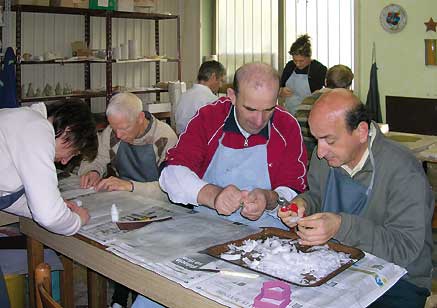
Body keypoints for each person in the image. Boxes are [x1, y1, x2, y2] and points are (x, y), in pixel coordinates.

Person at [278, 89, 433, 308]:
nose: (320, 152)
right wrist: (302, 205)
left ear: (361, 132)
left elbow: (404, 249)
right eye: (316, 139)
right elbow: (317, 195)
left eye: (329, 140)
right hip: (339, 263)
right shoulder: (326, 157)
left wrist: (341, 226)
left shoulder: (403, 170)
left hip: (399, 279)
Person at [160, 62, 307, 228]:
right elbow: (171, 173)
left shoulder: (286, 126)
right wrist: (213, 195)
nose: (259, 121)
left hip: (267, 233)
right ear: (232, 96)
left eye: (268, 109)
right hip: (208, 226)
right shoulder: (209, 118)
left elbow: (296, 191)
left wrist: (269, 199)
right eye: (250, 109)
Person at [78, 92, 177, 308]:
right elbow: (96, 158)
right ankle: (119, 298)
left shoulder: (164, 137)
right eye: (115, 129)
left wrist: (131, 186)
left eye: (124, 129)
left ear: (140, 118)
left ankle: (126, 298)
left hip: (162, 208)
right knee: (115, 249)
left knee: (141, 257)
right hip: (127, 203)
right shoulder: (113, 131)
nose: (118, 135)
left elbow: (172, 190)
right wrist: (93, 170)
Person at [0, 99, 98, 308]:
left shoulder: (22, 121)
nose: (64, 161)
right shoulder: (36, 128)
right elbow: (48, 216)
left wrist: (56, 206)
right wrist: (77, 220)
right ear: (68, 130)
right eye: (72, 152)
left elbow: (7, 195)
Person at [297, 64, 354, 155]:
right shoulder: (343, 104)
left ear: (325, 81)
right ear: (348, 86)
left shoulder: (306, 100)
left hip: (303, 154)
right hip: (328, 157)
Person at [279, 34, 327, 115]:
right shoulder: (290, 66)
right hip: (290, 112)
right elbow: (280, 87)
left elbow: (328, 92)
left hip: (311, 114)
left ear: (309, 57)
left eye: (301, 61)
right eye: (295, 60)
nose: (297, 64)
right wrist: (281, 91)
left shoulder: (319, 69)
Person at [175, 60, 226, 134]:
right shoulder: (212, 101)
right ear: (213, 77)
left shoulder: (183, 96)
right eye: (221, 80)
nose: (220, 85)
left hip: (181, 142)